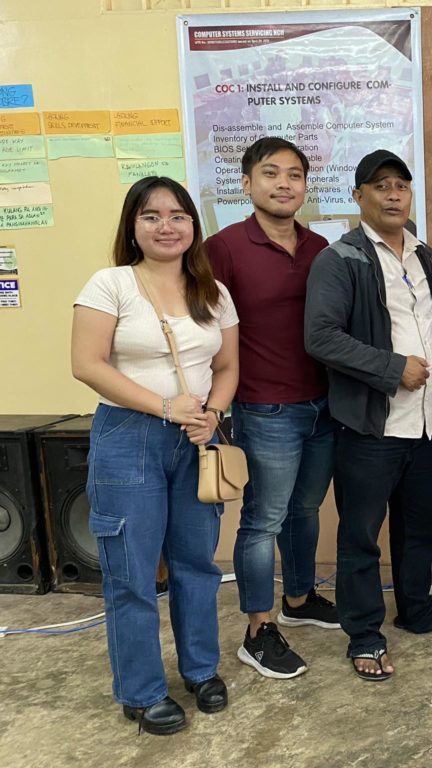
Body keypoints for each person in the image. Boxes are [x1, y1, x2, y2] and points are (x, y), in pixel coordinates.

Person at [71, 176, 239, 734]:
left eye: (177, 216)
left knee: (197, 564)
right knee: (132, 572)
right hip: (129, 437)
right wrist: (165, 406)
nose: (166, 226)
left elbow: (227, 367)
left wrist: (213, 413)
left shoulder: (212, 291)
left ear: (193, 225)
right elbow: (87, 364)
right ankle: (141, 692)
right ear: (133, 227)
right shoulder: (110, 284)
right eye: (151, 216)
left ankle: (200, 670)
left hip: (196, 439)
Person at [305, 149, 432, 682]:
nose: (393, 195)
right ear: (358, 196)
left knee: (422, 527)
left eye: (401, 185)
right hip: (371, 427)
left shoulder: (426, 257)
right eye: (380, 186)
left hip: (424, 427)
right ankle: (365, 634)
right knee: (360, 537)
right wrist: (393, 368)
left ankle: (416, 609)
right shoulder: (340, 260)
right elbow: (321, 337)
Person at [206, 137, 337, 680]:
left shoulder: (320, 246)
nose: (284, 183)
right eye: (270, 173)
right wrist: (216, 405)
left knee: (305, 510)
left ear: (305, 186)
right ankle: (258, 630)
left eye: (294, 175)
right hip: (264, 409)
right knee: (263, 521)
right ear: (246, 183)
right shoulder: (222, 248)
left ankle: (299, 599)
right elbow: (206, 329)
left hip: (323, 404)